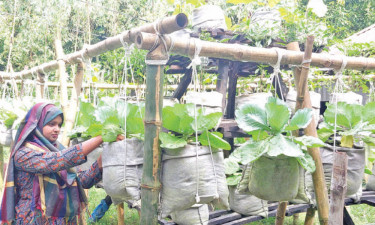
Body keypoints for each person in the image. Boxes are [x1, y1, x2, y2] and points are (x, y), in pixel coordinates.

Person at [0, 102, 123, 224]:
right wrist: (101, 137)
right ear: (37, 125)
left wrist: (101, 163)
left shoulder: (59, 149)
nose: (57, 129)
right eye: (51, 124)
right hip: (32, 219)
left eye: (59, 125)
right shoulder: (23, 154)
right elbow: (55, 161)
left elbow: (82, 181)